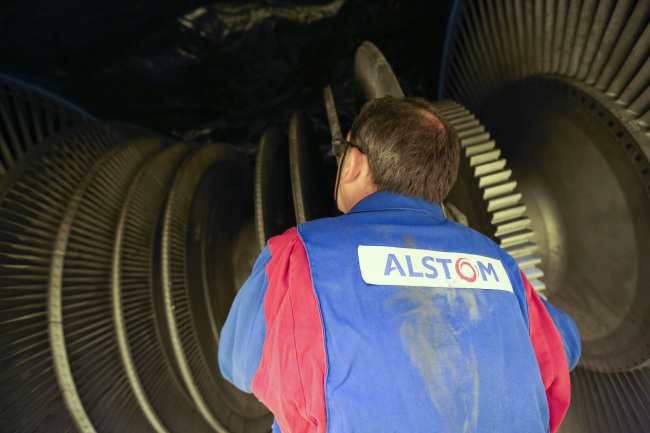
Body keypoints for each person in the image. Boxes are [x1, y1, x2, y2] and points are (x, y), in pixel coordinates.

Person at [218, 96, 581, 433]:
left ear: (354, 163)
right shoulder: (499, 265)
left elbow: (239, 363)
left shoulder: (298, 255)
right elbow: (564, 345)